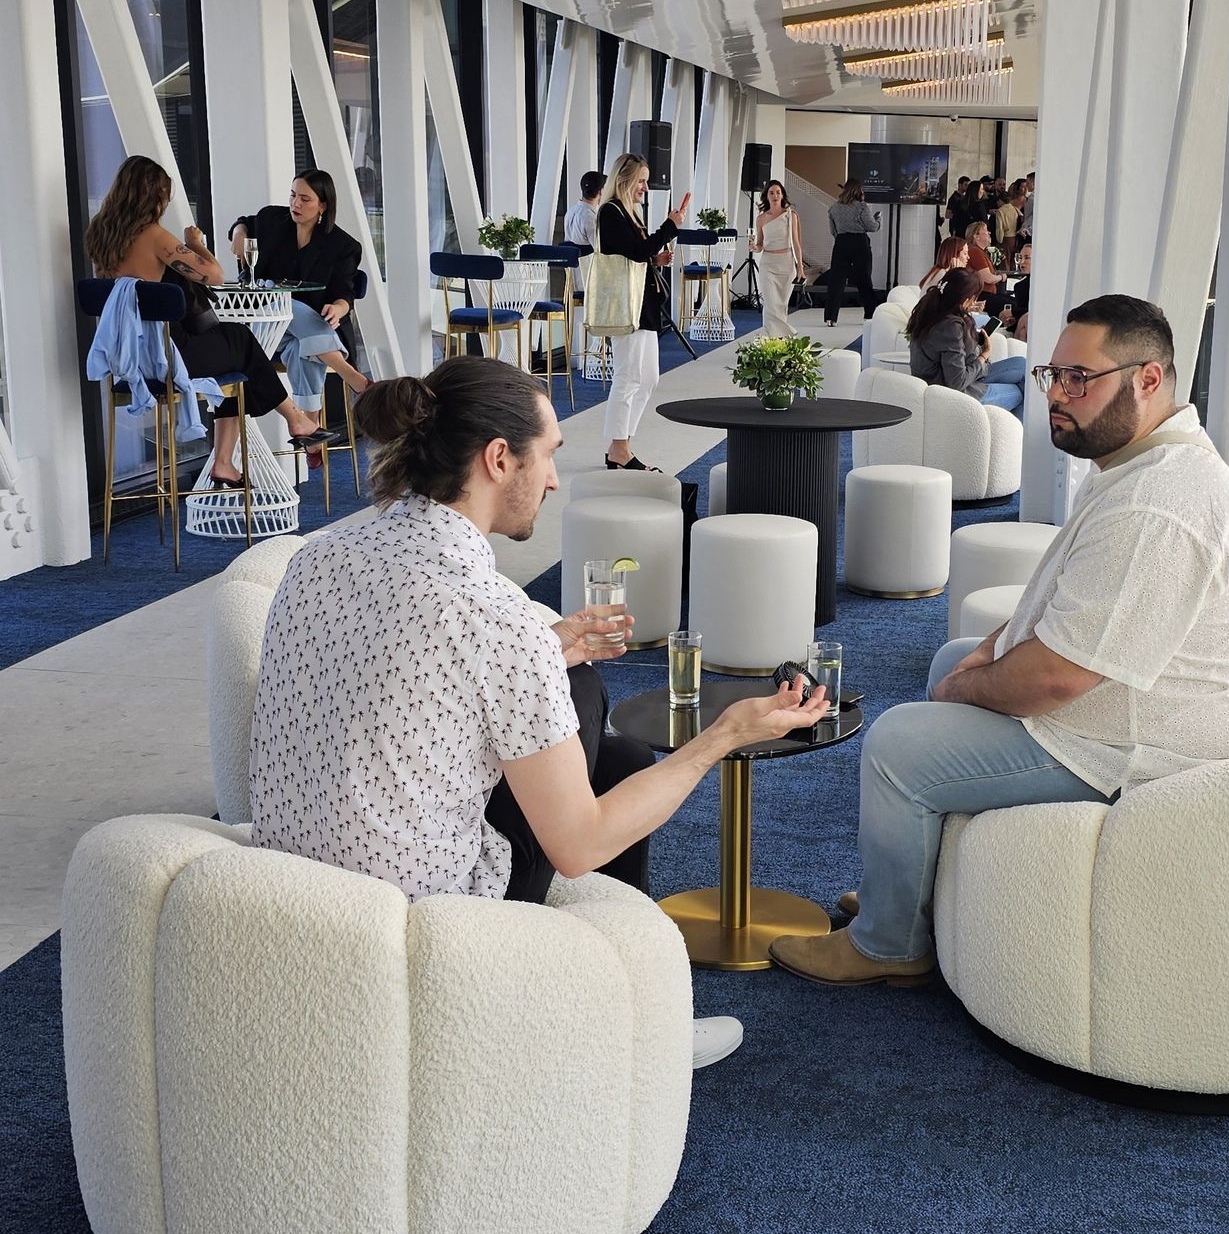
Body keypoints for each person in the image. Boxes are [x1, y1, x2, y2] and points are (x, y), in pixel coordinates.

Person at [248, 355, 827, 1068]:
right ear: (499, 459)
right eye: (549, 455)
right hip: (421, 923)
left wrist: (545, 650)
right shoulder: (495, 618)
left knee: (618, 757)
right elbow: (577, 848)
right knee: (587, 710)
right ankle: (638, 1037)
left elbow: (410, 674)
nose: (554, 479)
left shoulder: (319, 554)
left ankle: (635, 1001)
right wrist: (723, 736)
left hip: (287, 891)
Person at [770, 294, 1229, 986]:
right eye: (1054, 376)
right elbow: (1073, 610)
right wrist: (990, 653)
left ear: (1150, 380)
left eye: (1082, 379)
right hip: (1140, 712)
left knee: (897, 744)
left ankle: (889, 945)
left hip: (1149, 750)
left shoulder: (1158, 504)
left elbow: (1055, 680)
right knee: (955, 658)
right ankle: (909, 890)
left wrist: (972, 684)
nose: (1058, 397)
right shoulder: (1145, 466)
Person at [84, 155, 332, 488]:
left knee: (234, 361)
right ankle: (295, 420)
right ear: (152, 195)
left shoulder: (99, 234)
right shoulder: (155, 236)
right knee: (241, 341)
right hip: (167, 356)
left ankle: (227, 463)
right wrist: (195, 244)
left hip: (127, 358)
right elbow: (214, 276)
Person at [230, 171, 367, 411]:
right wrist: (239, 233)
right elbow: (244, 221)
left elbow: (346, 294)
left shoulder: (343, 246)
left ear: (322, 205)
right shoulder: (273, 219)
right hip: (263, 325)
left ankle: (310, 432)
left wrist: (337, 308)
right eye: (293, 195)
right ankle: (354, 378)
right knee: (285, 306)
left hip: (306, 332)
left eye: (305, 199)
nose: (295, 204)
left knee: (300, 347)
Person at [593, 152, 687, 470]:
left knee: (648, 378)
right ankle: (620, 449)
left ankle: (621, 443)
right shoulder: (610, 212)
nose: (645, 188)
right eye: (641, 181)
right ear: (625, 180)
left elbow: (635, 256)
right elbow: (634, 252)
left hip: (642, 305)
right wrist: (669, 228)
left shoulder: (627, 212)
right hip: (627, 308)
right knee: (629, 376)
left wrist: (654, 259)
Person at [905, 269, 1021, 415]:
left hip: (949, 380)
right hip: (949, 394)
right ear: (966, 300)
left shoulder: (930, 311)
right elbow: (956, 382)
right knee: (1018, 392)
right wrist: (984, 355)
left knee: (1022, 365)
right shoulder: (950, 325)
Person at [823, 179, 882, 325]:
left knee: (836, 281)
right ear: (858, 191)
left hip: (841, 243)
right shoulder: (862, 207)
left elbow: (833, 231)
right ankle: (870, 315)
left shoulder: (834, 208)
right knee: (864, 280)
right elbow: (872, 226)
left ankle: (831, 317)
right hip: (859, 243)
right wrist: (878, 220)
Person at [753, 179, 804, 339]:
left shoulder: (790, 215)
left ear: (782, 195)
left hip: (787, 264)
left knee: (781, 305)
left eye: (778, 192)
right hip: (768, 264)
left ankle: (779, 340)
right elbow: (760, 244)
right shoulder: (761, 219)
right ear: (766, 196)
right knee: (770, 304)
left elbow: (796, 243)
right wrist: (755, 248)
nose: (775, 195)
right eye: (771, 192)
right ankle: (774, 337)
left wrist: (800, 268)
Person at [564, 170, 605, 251]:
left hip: (570, 261)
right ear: (600, 191)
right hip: (586, 262)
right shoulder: (591, 218)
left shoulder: (570, 211)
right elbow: (599, 249)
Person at [1005, 238, 1033, 340]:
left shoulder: (1046, 285)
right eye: (1020, 258)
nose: (1022, 262)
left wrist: (1013, 312)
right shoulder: (1020, 287)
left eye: (1027, 258)